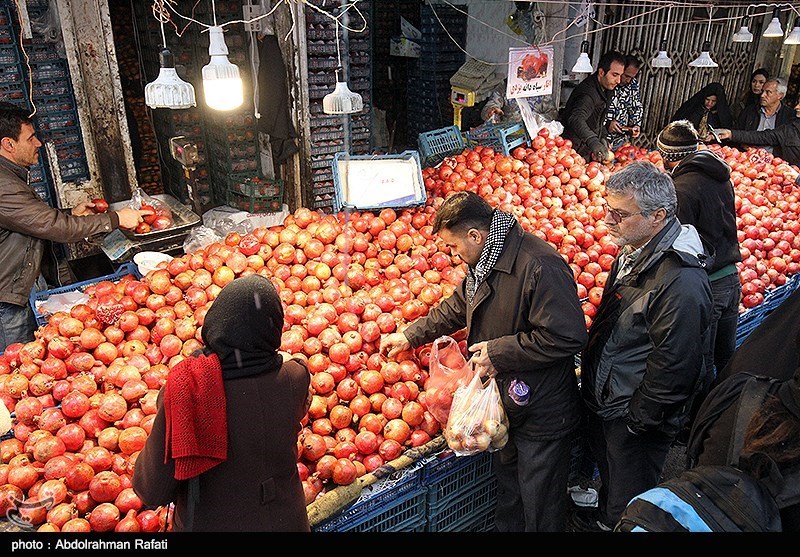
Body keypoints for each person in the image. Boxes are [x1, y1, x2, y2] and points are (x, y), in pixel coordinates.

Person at [379, 191, 588, 532]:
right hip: (507, 403)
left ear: (475, 236)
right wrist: (411, 335)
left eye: (452, 246)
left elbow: (568, 337)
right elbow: (458, 307)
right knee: (510, 496)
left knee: (541, 502)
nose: (451, 254)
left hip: (543, 408)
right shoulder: (483, 264)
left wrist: (497, 352)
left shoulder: (539, 265)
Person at [576, 161, 713, 531]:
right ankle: (606, 518)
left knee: (630, 496)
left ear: (658, 216)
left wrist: (641, 419)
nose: (608, 220)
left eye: (619, 214)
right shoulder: (633, 251)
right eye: (607, 210)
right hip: (613, 398)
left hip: (635, 412)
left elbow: (677, 363)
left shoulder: (680, 280)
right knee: (613, 480)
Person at [133, 274, 312, 532]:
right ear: (275, 329)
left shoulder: (186, 390)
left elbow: (151, 490)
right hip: (286, 521)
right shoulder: (295, 378)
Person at [0, 101, 149, 351]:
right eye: (31, 138)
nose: (38, 144)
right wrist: (116, 219)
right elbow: (53, 227)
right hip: (9, 300)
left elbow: (30, 220)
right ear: (8, 144)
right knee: (16, 363)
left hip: (20, 288)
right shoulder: (4, 185)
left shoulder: (10, 177)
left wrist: (71, 213)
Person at [656, 120, 742, 432]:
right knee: (727, 357)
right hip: (732, 278)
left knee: (702, 362)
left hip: (709, 283)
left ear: (668, 156)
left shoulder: (682, 189)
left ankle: (698, 428)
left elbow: (679, 243)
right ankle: (730, 417)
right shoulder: (719, 176)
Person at [559, 50, 626, 163]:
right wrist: (593, 140)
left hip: (586, 151)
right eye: (614, 75)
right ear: (601, 72)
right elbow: (576, 119)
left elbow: (598, 118)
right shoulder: (588, 94)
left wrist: (603, 136)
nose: (618, 81)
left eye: (620, 75)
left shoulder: (606, 89)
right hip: (572, 152)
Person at [713, 97, 800, 167]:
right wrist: (731, 134)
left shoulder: (788, 117)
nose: (796, 107)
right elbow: (763, 136)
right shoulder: (790, 129)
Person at [734, 78, 795, 145]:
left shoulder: (789, 116)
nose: (762, 95)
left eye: (768, 92)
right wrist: (742, 144)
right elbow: (736, 133)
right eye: (762, 91)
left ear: (780, 96)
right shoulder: (750, 111)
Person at [605, 55, 644, 151]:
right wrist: (607, 124)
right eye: (626, 76)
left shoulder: (632, 84)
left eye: (631, 77)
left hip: (620, 143)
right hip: (602, 140)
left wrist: (636, 124)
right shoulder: (607, 83)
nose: (628, 80)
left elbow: (636, 107)